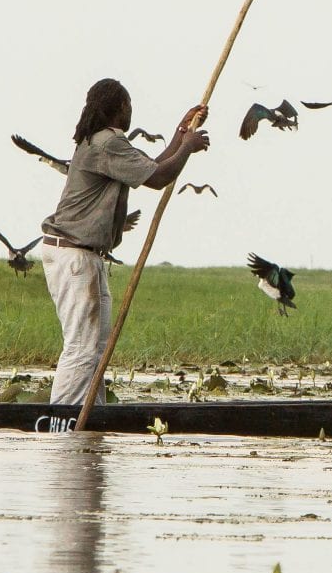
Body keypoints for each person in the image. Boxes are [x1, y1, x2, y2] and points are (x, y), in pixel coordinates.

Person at [41, 79, 208, 407]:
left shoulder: (106, 144)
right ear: (116, 109)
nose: (131, 111)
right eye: (127, 106)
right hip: (74, 255)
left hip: (84, 255)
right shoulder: (106, 144)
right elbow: (159, 178)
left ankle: (92, 416)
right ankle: (62, 420)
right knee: (81, 347)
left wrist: (180, 132)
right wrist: (188, 146)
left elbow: (152, 168)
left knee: (95, 349)